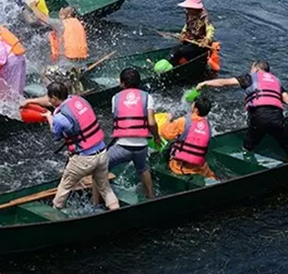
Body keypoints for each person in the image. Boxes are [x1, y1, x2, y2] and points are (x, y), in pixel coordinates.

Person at [196, 60, 288, 162]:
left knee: (248, 145)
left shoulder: (250, 77)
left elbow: (224, 83)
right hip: (277, 117)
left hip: (258, 117)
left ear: (256, 68)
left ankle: (248, 162)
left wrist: (205, 83)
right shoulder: (276, 82)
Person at [36, 82, 120, 211]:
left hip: (84, 158)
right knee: (105, 188)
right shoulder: (78, 100)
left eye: (49, 98)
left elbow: (56, 134)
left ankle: (55, 212)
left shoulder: (59, 118)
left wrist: (49, 117)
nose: (48, 100)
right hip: (102, 152)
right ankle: (116, 211)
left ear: (54, 97)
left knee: (64, 186)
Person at [108, 68, 161, 199]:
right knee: (143, 169)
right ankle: (151, 196)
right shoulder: (147, 97)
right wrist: (157, 137)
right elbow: (152, 123)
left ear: (122, 83)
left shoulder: (115, 98)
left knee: (100, 167)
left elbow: (117, 118)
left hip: (122, 147)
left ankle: (98, 200)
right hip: (141, 147)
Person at [160, 97, 217, 180]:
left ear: (196, 110)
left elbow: (165, 134)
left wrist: (167, 120)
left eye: (193, 104)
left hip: (180, 167)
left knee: (170, 146)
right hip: (199, 167)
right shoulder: (208, 125)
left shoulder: (183, 121)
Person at [168, 0, 215, 66]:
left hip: (199, 43)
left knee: (183, 51)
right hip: (190, 40)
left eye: (189, 8)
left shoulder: (204, 16)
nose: (187, 9)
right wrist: (183, 33)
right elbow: (187, 25)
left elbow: (210, 29)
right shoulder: (189, 14)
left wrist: (207, 40)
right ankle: (172, 64)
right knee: (175, 49)